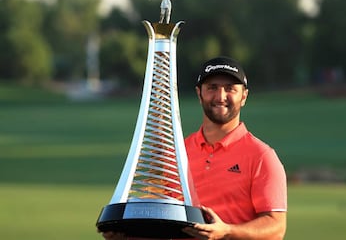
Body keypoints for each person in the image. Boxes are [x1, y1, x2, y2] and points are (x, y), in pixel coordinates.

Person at [101, 56, 287, 240]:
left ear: (244, 96)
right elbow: (166, 224)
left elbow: (276, 227)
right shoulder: (177, 155)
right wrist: (125, 236)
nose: (220, 96)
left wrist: (227, 231)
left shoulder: (262, 156)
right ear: (199, 94)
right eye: (212, 88)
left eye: (230, 89)